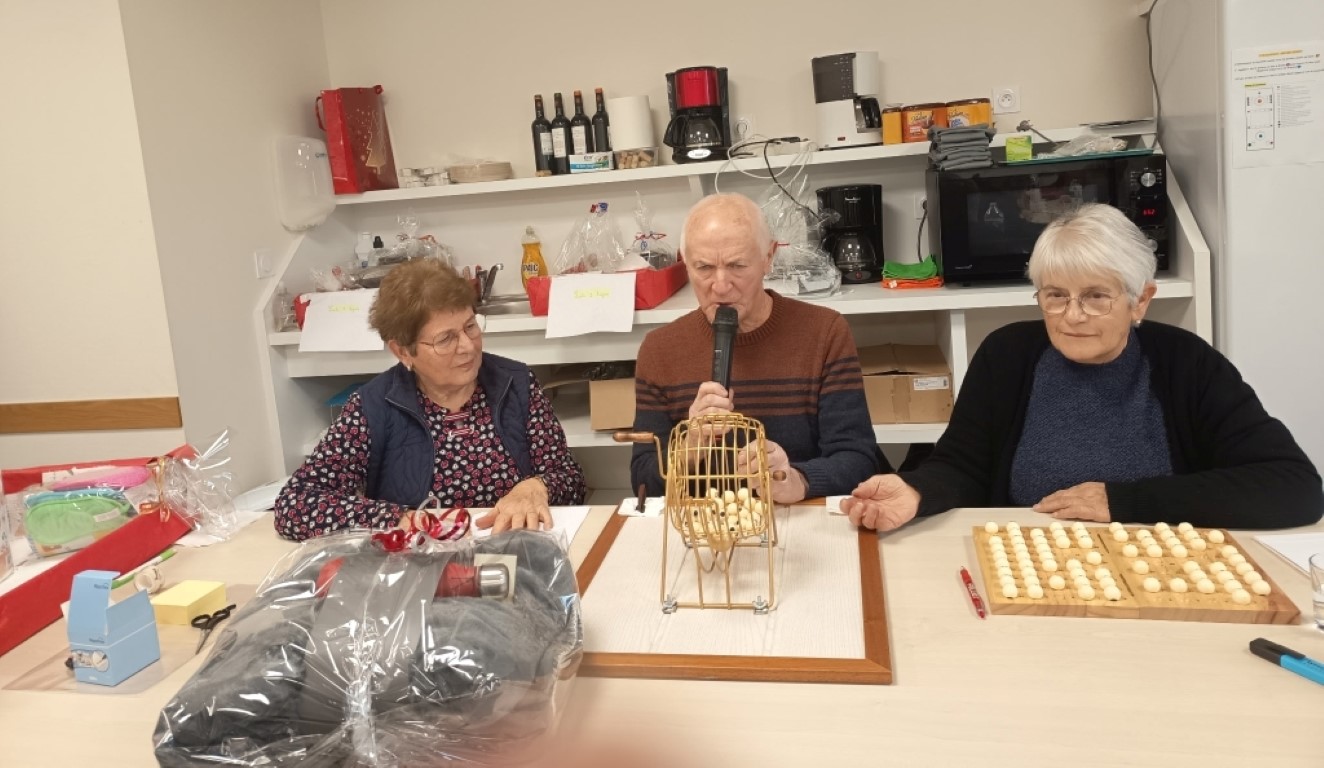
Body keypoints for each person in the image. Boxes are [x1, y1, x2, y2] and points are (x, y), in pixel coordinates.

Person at [842, 203, 1323, 532]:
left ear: (1140, 301)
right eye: (1056, 295)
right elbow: (962, 466)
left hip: (1154, 563)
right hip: (1027, 561)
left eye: (1095, 296)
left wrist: (1124, 502)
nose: (1072, 316)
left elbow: (1294, 487)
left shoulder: (1187, 364)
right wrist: (916, 491)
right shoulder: (1006, 355)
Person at [275, 258, 586, 541]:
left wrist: (537, 487)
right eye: (445, 339)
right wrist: (402, 520)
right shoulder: (373, 407)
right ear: (403, 351)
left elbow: (569, 478)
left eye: (470, 326)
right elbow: (296, 504)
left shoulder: (515, 383)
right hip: (417, 563)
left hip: (515, 551)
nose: (468, 346)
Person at [630, 193, 885, 504]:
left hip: (797, 517)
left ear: (769, 257)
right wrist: (690, 446)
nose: (720, 286)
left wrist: (795, 480)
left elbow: (858, 461)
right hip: (703, 525)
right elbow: (642, 484)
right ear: (684, 262)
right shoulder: (659, 349)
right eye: (704, 267)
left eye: (737, 265)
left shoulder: (825, 332)